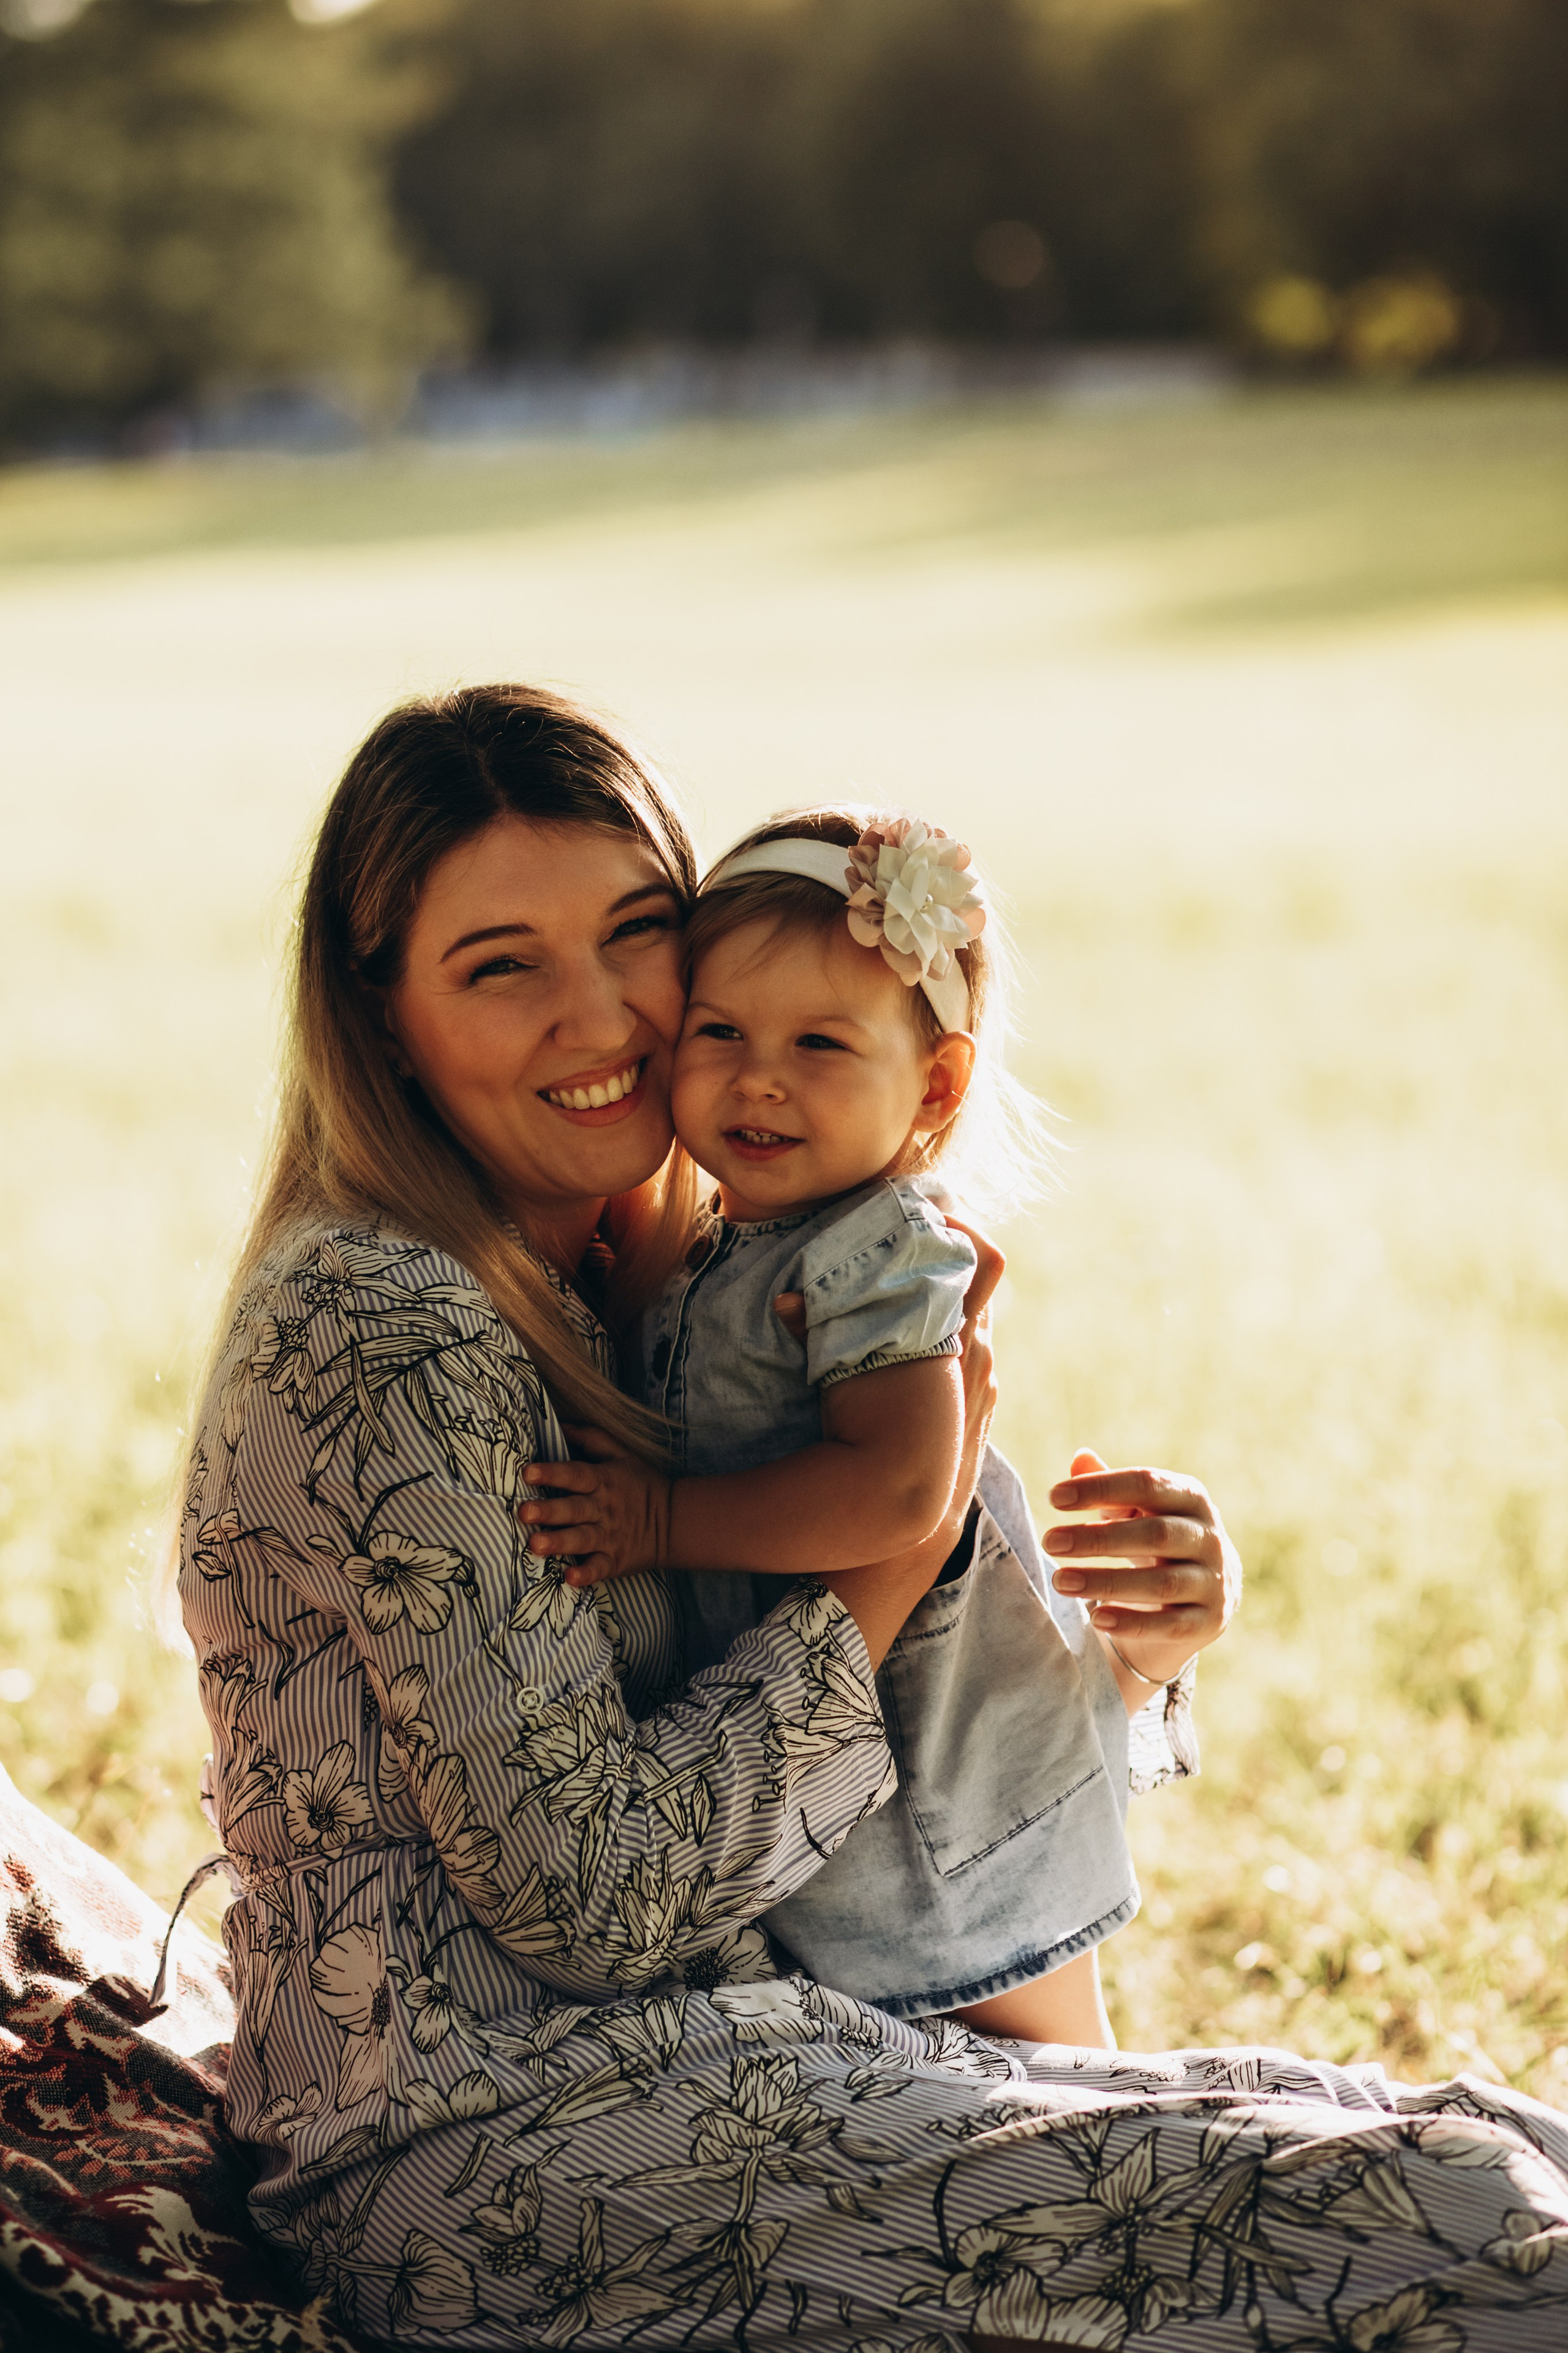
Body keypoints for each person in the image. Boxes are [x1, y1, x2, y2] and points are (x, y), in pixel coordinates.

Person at [178, 684, 1568, 2352]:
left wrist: (1117, 1643)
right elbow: (591, 1900)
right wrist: (896, 1552)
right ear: (384, 1018)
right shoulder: (381, 1319)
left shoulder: (631, 1281)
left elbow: (789, 1671)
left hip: (722, 2056)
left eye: (636, 934)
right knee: (1473, 2222)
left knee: (1491, 2146)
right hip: (483, 2148)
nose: (601, 1015)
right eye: (500, 966)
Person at [511, 802, 1200, 2048]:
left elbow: (898, 1489)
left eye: (820, 1043)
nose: (759, 1077)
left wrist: (660, 1520)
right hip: (837, 1789)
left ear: (934, 1085)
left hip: (959, 1805)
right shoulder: (718, 1241)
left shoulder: (881, 1248)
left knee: (1060, 2082)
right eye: (719, 1030)